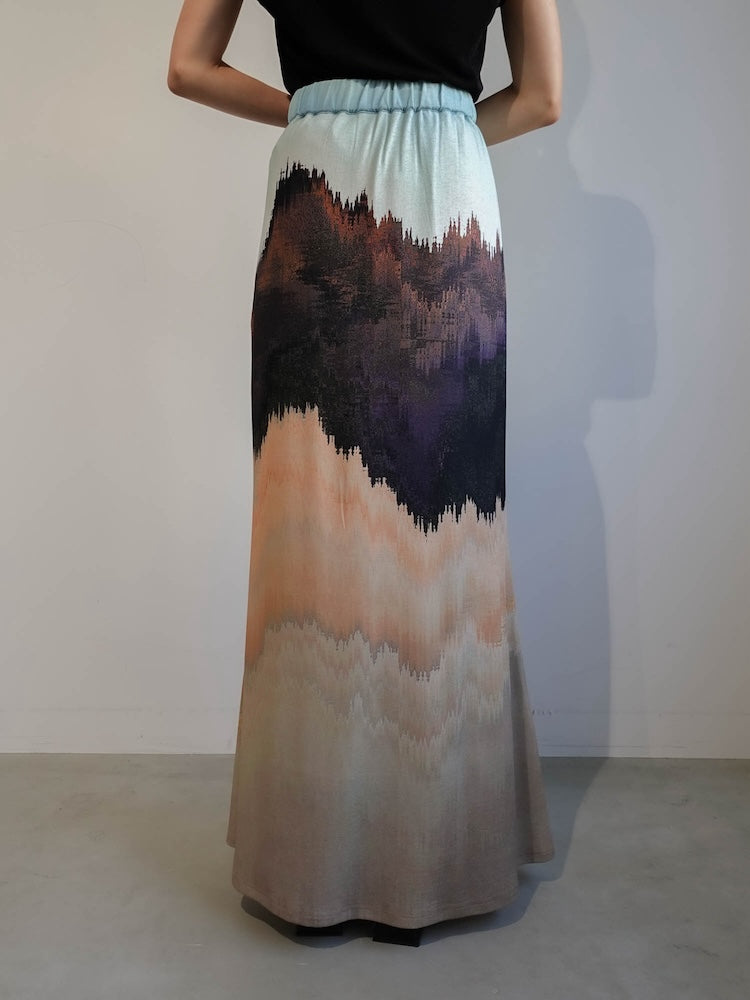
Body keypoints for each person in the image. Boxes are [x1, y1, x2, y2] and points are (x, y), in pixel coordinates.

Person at [168, 0, 563, 947]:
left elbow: (188, 66)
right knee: (444, 531)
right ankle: (436, 857)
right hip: (449, 198)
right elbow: (542, 97)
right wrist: (442, 118)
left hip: (319, 190)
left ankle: (311, 861)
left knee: (315, 524)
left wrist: (321, 107)